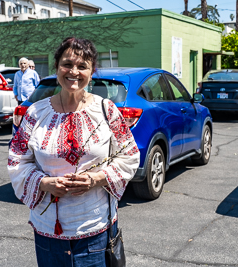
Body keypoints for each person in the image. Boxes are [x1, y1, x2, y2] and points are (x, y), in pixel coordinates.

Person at [7, 37, 140, 266]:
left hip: (96, 232)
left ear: (92, 71)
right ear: (57, 67)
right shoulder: (35, 113)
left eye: (82, 66)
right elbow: (17, 160)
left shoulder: (106, 110)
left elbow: (129, 155)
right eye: (67, 64)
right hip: (48, 232)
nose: (74, 72)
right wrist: (43, 182)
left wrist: (96, 179)